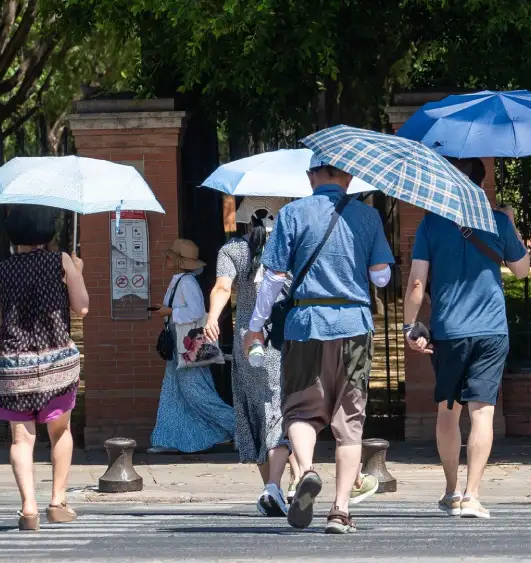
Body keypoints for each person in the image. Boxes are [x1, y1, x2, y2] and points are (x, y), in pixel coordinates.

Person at [243, 156, 394, 534]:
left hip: (305, 325)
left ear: (311, 175)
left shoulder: (292, 214)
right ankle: (340, 511)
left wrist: (254, 327)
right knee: (350, 422)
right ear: (350, 175)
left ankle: (307, 471)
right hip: (354, 326)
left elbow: (273, 278)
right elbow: (381, 277)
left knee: (299, 411)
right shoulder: (368, 217)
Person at [403, 157, 530, 520]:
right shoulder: (497, 220)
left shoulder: (430, 223)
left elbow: (416, 282)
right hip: (491, 330)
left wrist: (410, 326)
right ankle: (473, 496)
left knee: (448, 411)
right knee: (483, 412)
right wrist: (512, 222)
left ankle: (450, 491)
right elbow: (521, 270)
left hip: (449, 332)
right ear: (481, 184)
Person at [0, 205, 88, 531]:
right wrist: (77, 271)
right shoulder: (60, 261)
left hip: (16, 368)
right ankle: (57, 501)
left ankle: (28, 507)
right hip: (58, 364)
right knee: (60, 432)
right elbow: (82, 307)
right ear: (47, 230)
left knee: (21, 440)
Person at [204, 197, 298, 517]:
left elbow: (221, 288)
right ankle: (276, 486)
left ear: (245, 220)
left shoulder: (233, 251)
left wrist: (212, 317)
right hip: (284, 341)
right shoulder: (290, 250)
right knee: (278, 411)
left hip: (248, 345)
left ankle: (274, 488)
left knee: (257, 412)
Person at [148, 238, 237, 454]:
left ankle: (241, 427)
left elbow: (195, 313)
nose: (165, 260)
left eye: (170, 256)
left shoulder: (186, 282)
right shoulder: (181, 280)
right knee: (174, 394)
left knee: (197, 395)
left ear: (178, 261)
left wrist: (169, 312)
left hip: (186, 348)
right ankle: (169, 439)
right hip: (180, 347)